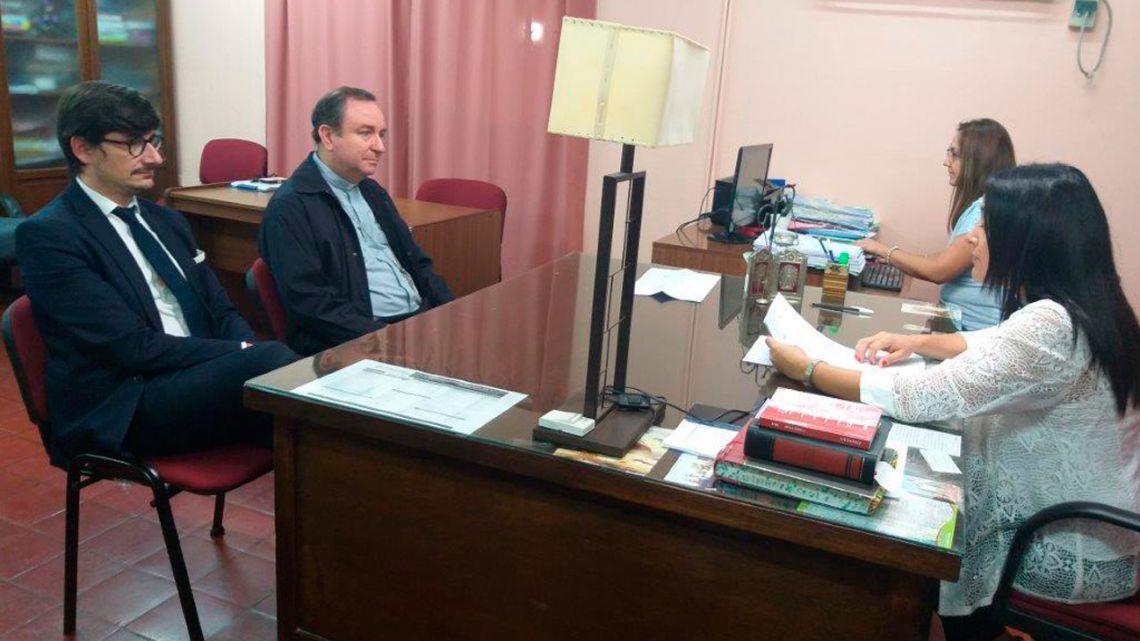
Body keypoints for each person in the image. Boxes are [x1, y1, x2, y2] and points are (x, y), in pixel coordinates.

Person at [767, 164, 1140, 641]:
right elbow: (994, 344)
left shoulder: (1049, 324)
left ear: (1028, 239)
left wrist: (809, 369)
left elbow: (919, 397)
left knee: (907, 520)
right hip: (1104, 542)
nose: (973, 240)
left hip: (1062, 553)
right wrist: (918, 343)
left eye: (984, 227)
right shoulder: (1089, 307)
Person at [15, 81, 298, 465]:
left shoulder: (167, 219)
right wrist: (241, 355)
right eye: (134, 143)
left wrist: (240, 350)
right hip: (128, 400)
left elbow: (221, 309)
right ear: (82, 148)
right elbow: (128, 348)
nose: (153, 158)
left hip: (194, 378)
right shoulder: (50, 236)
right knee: (277, 370)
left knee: (308, 427)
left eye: (153, 141)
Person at [259, 86, 454, 356]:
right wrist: (388, 339)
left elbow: (419, 265)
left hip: (413, 327)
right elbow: (312, 304)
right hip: (355, 345)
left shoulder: (373, 192)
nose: (380, 146)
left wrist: (453, 314)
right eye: (366, 133)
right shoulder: (291, 207)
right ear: (328, 136)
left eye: (381, 134)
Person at [857, 118, 1015, 330]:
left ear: (978, 160)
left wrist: (880, 249)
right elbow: (944, 259)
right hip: (958, 324)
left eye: (954, 154)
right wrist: (893, 256)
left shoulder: (984, 210)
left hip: (972, 331)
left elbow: (939, 270)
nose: (946, 162)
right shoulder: (981, 206)